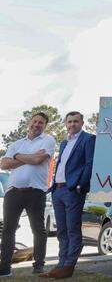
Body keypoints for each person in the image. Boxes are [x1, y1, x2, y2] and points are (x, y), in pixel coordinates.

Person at [0, 111, 56, 277]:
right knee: (8, 230)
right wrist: (27, 157)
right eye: (35, 121)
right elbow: (3, 164)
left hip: (36, 192)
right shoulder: (16, 144)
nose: (37, 124)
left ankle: (38, 265)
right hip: (13, 192)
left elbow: (38, 160)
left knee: (38, 230)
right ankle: (4, 268)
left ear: (45, 126)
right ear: (29, 123)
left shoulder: (48, 140)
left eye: (41, 123)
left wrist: (16, 158)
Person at [41, 112, 96, 279]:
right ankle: (60, 264)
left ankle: (69, 266)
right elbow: (61, 165)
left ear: (82, 122)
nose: (72, 124)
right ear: (66, 123)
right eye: (69, 122)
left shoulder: (88, 139)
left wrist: (80, 186)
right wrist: (53, 187)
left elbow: (90, 163)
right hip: (57, 191)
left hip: (73, 190)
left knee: (72, 230)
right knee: (62, 231)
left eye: (75, 121)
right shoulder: (65, 142)